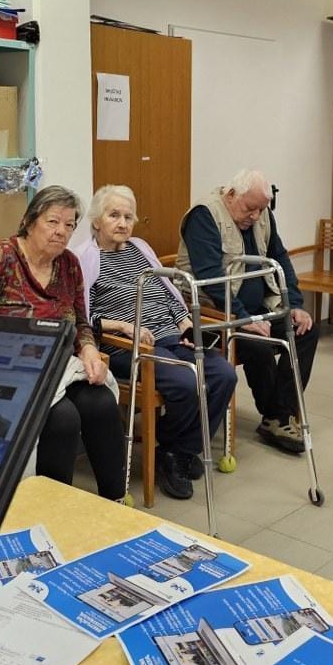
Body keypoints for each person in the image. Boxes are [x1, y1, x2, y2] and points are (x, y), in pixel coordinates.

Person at [0, 186, 125, 500]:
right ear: (29, 221)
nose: (61, 231)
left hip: (57, 364)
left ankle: (115, 503)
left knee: (100, 402)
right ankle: (50, 509)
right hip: (4, 369)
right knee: (63, 418)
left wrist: (88, 349)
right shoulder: (0, 259)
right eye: (52, 222)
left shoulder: (69, 265)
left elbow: (82, 322)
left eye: (69, 224)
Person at [75, 185, 238, 500]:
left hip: (171, 338)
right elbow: (82, 315)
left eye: (128, 216)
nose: (123, 223)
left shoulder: (140, 248)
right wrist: (124, 325)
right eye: (114, 215)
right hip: (127, 348)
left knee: (223, 375)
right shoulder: (84, 258)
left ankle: (176, 450)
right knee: (187, 381)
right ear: (96, 220)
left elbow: (168, 292)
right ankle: (176, 450)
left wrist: (187, 324)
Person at [178, 169, 317, 455]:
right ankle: (276, 416)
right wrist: (243, 319)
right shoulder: (204, 216)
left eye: (261, 209)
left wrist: (295, 305)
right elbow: (210, 278)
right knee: (258, 345)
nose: (255, 216)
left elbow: (280, 258)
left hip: (259, 308)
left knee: (306, 331)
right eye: (250, 208)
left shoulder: (262, 214)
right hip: (214, 313)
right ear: (231, 195)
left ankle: (277, 415)